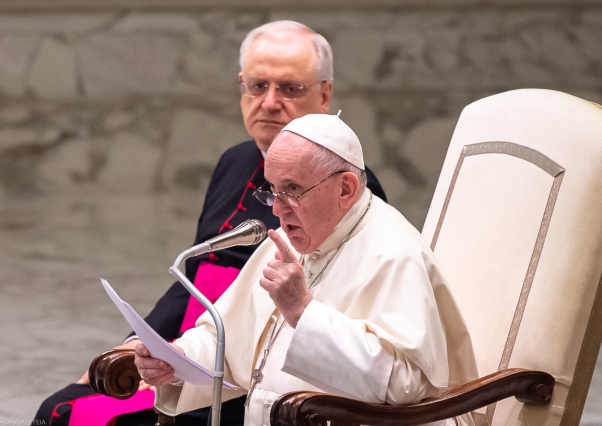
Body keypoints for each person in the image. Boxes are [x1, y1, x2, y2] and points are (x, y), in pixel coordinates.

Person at [34, 21, 387, 426]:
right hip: (189, 352)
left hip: (252, 381)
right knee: (59, 408)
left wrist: (189, 366)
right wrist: (137, 347)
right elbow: (193, 278)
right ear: (241, 86)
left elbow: (333, 318)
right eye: (258, 86)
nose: (270, 102)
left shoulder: (346, 190)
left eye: (290, 88)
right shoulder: (234, 162)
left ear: (324, 94)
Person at [136, 114, 478, 426]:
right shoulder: (287, 240)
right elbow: (229, 338)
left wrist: (303, 311)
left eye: (293, 190)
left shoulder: (395, 253)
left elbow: (407, 386)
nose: (279, 211)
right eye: (272, 191)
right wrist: (178, 360)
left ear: (345, 188)